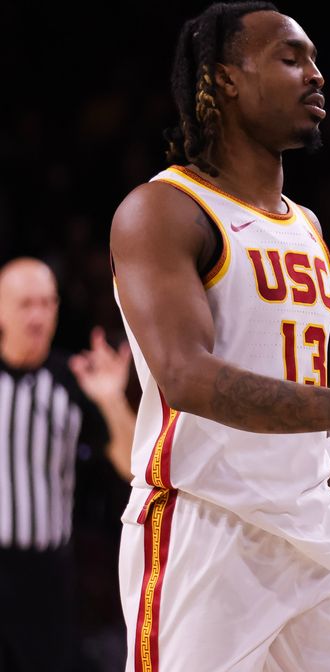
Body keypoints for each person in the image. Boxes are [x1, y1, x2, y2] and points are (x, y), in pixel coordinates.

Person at [109, 1, 330, 672]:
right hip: (205, 523)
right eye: (291, 59)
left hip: (317, 530)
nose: (316, 76)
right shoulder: (164, 210)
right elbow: (185, 376)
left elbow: (305, 408)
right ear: (226, 78)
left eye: (315, 61)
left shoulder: (309, 227)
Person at [0, 257, 136, 672]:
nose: (38, 315)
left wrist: (112, 399)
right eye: (26, 304)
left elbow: (134, 466)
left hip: (48, 572)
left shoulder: (72, 381)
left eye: (47, 303)